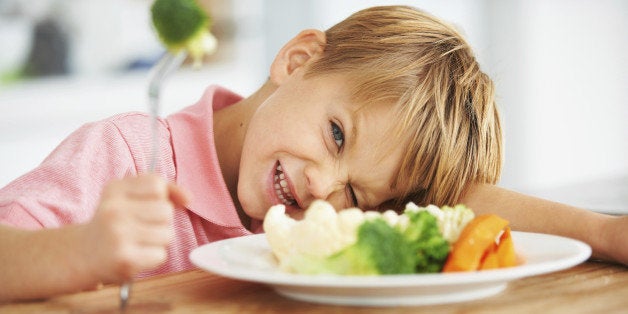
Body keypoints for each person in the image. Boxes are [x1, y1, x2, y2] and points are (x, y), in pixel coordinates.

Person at [0, 5, 626, 302]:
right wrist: (84, 251)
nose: (325, 188)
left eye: (359, 195)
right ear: (298, 61)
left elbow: (457, 208)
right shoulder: (129, 153)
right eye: (336, 135)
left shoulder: (335, 221)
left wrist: (601, 231)